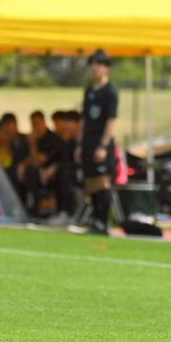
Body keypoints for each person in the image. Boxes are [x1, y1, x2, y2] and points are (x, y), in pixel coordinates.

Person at [76, 49, 119, 235]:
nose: (95, 68)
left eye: (99, 64)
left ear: (106, 68)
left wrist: (103, 145)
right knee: (90, 181)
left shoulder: (110, 92)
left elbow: (111, 119)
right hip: (88, 140)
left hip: (101, 142)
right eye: (93, 64)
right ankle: (95, 220)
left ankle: (104, 221)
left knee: (102, 181)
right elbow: (84, 118)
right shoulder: (89, 90)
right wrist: (79, 144)